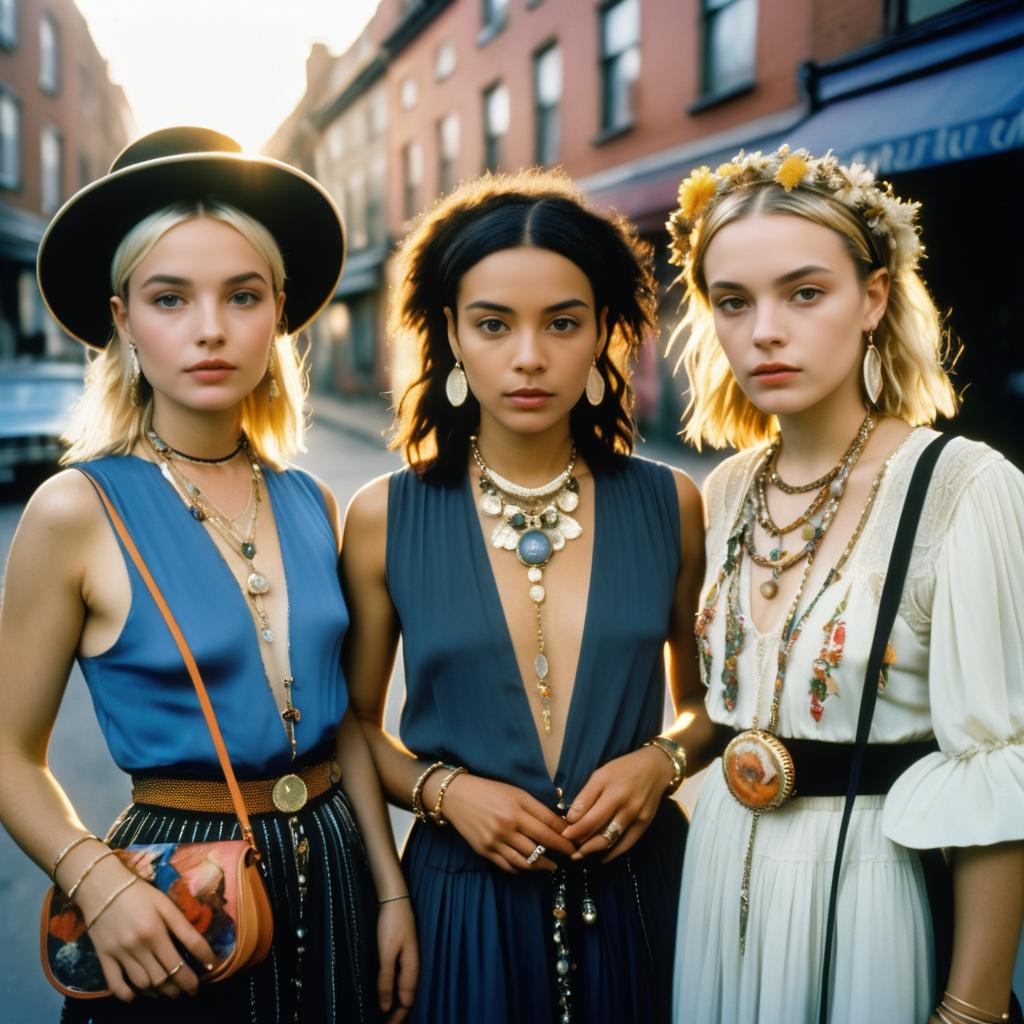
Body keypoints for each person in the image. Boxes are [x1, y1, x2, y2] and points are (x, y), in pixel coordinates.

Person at [0, 127, 417, 1023]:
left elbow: (341, 720)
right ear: (121, 320)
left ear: (279, 311)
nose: (210, 329)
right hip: (180, 907)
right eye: (169, 297)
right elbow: (7, 752)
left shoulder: (308, 498)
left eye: (242, 295)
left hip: (341, 874)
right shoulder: (76, 509)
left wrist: (389, 893)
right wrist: (97, 886)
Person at [339, 169, 709, 1024]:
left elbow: (703, 707)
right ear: (451, 336)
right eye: (494, 324)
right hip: (459, 901)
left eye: (563, 323)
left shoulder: (672, 505)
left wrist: (663, 761)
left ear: (605, 335)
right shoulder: (381, 518)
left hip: (646, 897)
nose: (530, 356)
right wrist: (442, 791)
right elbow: (353, 726)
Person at [666, 147, 1024, 1023]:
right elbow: (718, 707)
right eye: (733, 302)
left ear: (871, 298)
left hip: (870, 886)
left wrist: (972, 1009)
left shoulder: (965, 487)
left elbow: (1001, 769)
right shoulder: (726, 489)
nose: (765, 332)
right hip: (719, 873)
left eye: (805, 292)